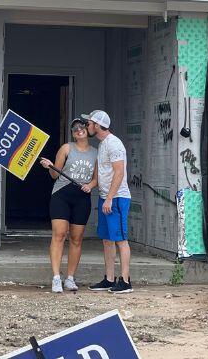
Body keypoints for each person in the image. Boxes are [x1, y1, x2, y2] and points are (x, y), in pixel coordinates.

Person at [39, 117, 97, 293]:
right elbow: (54, 175)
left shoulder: (96, 152)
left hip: (82, 197)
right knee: (59, 234)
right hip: (61, 195)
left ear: (87, 130)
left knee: (76, 239)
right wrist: (49, 166)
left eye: (81, 127)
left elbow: (96, 178)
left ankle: (70, 278)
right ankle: (56, 278)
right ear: (72, 133)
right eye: (74, 129)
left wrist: (91, 186)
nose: (78, 130)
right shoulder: (66, 148)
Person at [83, 109, 133, 294]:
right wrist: (92, 186)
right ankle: (109, 279)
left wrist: (110, 198)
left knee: (120, 239)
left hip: (117, 198)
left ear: (97, 125)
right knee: (107, 239)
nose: (87, 126)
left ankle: (125, 281)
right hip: (106, 197)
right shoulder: (103, 144)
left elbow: (119, 172)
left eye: (89, 123)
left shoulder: (114, 144)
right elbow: (102, 173)